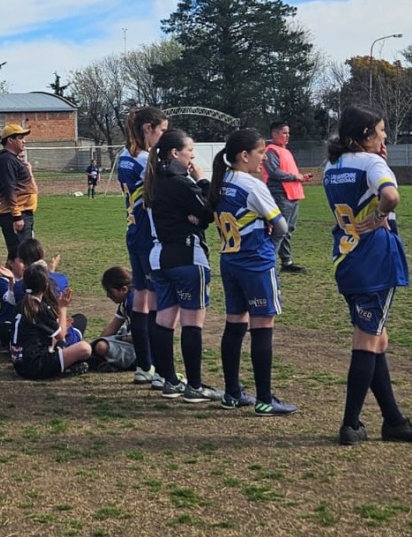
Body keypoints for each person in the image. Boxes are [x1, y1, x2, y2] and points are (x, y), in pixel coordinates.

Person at [323, 104, 412, 446]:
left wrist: (379, 161)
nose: (385, 135)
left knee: (377, 338)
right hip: (374, 259)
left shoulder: (332, 165)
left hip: (346, 257)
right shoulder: (371, 163)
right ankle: (350, 423)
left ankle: (393, 421)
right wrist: (379, 216)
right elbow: (390, 196)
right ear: (364, 136)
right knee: (367, 340)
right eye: (381, 130)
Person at [207, 129, 298, 416]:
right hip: (255, 262)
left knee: (235, 324)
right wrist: (270, 249)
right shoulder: (252, 185)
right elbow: (281, 226)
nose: (264, 158)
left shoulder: (220, 183)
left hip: (229, 260)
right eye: (260, 153)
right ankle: (264, 399)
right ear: (244, 155)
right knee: (262, 327)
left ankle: (232, 393)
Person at [146, 129, 221, 403]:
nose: (193, 154)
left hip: (159, 257)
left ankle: (169, 381)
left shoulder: (154, 180)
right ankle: (195, 387)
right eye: (190, 150)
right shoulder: (180, 181)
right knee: (192, 322)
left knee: (164, 320)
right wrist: (201, 179)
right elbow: (209, 211)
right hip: (187, 257)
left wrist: (198, 217)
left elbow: (199, 216)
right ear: (175, 153)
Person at [119, 107, 169, 387]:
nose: (163, 137)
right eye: (161, 130)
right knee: (157, 301)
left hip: (133, 231)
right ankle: (160, 369)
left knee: (141, 299)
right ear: (148, 128)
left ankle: (143, 365)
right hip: (149, 235)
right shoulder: (144, 159)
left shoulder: (125, 155)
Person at [10, 262, 92, 379]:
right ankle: (66, 366)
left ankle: (66, 362)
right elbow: (61, 335)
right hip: (35, 367)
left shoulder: (22, 304)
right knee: (85, 348)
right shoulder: (39, 308)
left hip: (20, 364)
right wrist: (63, 307)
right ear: (46, 286)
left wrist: (59, 323)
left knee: (62, 333)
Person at [261, 122, 311, 273]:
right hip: (281, 194)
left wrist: (300, 177)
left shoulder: (285, 151)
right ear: (274, 134)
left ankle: (286, 262)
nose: (287, 136)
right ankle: (269, 261)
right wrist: (296, 177)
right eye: (284, 133)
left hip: (292, 194)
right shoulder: (271, 151)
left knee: (288, 229)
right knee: (279, 229)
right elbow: (274, 173)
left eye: (288, 133)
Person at [0, 124, 37, 263]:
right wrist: (17, 217)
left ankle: (9, 281)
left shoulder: (11, 159)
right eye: (20, 137)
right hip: (14, 214)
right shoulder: (7, 160)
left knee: (16, 253)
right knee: (21, 255)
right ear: (10, 140)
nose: (24, 141)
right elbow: (9, 189)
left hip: (20, 212)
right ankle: (14, 282)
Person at [91, 266, 138, 372]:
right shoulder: (125, 302)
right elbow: (112, 328)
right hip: (131, 340)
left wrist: (123, 339)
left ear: (124, 289)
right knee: (102, 342)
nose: (108, 295)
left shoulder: (135, 302)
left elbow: (143, 335)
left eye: (110, 292)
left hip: (142, 350)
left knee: (101, 347)